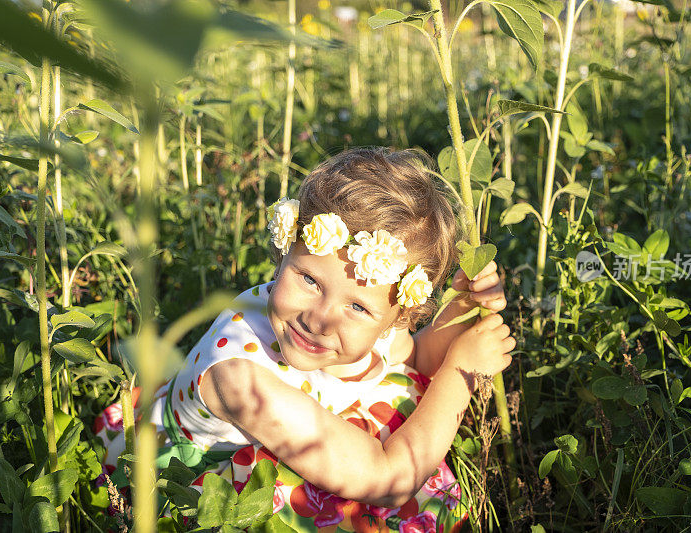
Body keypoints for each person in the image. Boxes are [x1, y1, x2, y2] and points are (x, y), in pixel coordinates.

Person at [94, 147, 515, 532]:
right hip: (200, 489)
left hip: (296, 430)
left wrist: (462, 306)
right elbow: (387, 480)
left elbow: (417, 359)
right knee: (335, 506)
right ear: (285, 250)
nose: (319, 319)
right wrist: (462, 375)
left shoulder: (363, 323)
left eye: (358, 308)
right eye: (310, 279)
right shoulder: (241, 379)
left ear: (398, 314)